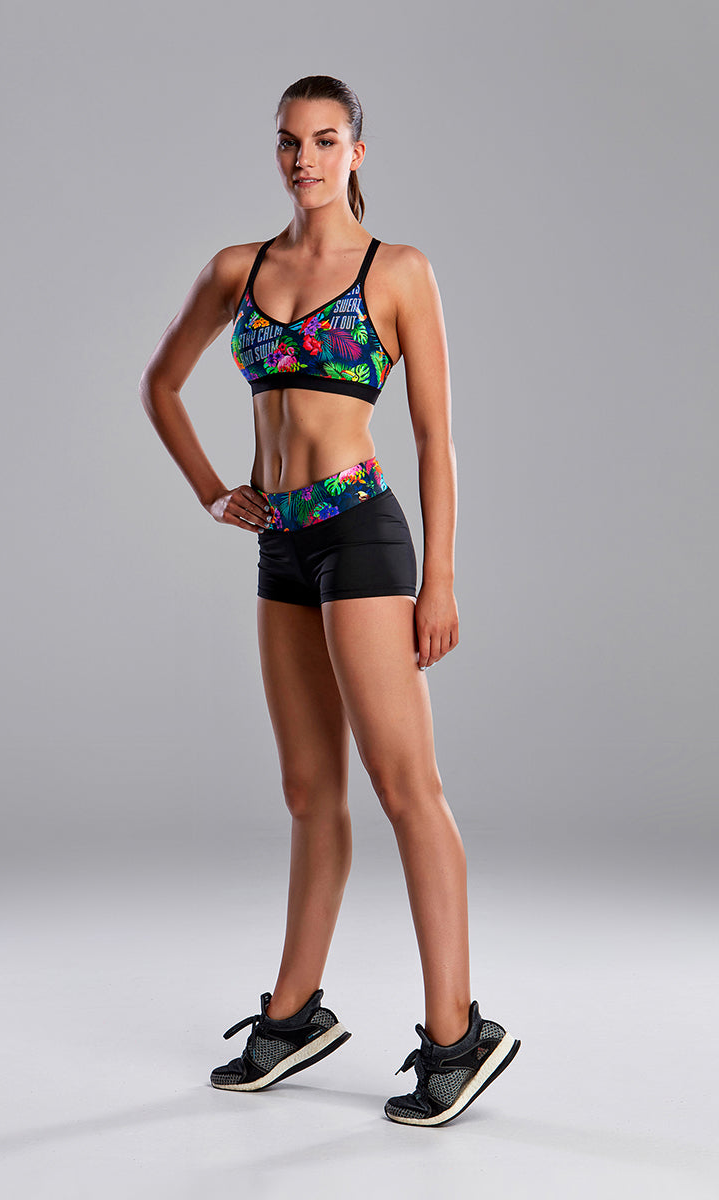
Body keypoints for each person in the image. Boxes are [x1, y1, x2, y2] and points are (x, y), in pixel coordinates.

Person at [138, 74, 520, 1127]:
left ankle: (457, 1034)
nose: (302, 159)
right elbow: (160, 384)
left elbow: (436, 437)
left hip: (360, 534)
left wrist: (439, 579)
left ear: (355, 152)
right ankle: (295, 1012)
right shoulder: (239, 269)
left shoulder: (397, 272)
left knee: (404, 786)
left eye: (322, 140)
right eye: (287, 142)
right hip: (282, 545)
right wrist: (212, 489)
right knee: (309, 791)